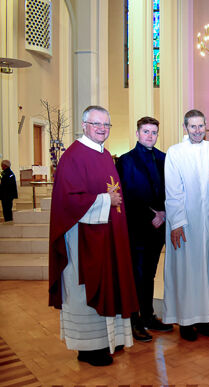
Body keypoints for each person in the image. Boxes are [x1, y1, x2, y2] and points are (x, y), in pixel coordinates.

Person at [48, 105, 139, 367]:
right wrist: (105, 200)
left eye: (106, 125)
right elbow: (68, 201)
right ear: (84, 124)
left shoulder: (104, 154)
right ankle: (88, 348)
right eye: (97, 124)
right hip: (83, 238)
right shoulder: (74, 156)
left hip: (106, 234)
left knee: (109, 282)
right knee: (84, 288)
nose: (102, 129)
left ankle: (107, 340)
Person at [163, 109, 209, 341]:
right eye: (193, 127)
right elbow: (173, 189)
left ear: (205, 127)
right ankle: (186, 321)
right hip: (185, 221)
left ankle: (206, 318)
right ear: (185, 127)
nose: (197, 131)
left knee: (208, 270)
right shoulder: (175, 152)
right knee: (186, 270)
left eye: (201, 126)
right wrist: (177, 222)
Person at [116, 116, 173, 343]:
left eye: (154, 132)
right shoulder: (125, 161)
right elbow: (126, 195)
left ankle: (148, 316)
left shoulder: (164, 158)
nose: (150, 136)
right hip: (137, 226)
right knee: (137, 274)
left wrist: (165, 213)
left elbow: (173, 190)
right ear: (138, 133)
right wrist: (153, 214)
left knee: (150, 273)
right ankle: (134, 320)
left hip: (159, 228)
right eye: (146, 131)